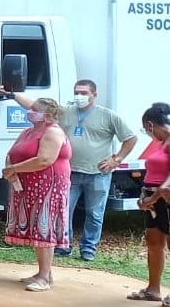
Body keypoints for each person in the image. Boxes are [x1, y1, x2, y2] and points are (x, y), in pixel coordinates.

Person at [11, 80, 137, 261]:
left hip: (98, 173)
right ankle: (64, 245)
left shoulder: (108, 116)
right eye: (77, 92)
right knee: (64, 210)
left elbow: (131, 138)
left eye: (84, 93)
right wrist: (13, 95)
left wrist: (116, 159)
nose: (80, 96)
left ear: (94, 94)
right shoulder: (66, 112)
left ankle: (89, 249)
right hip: (71, 172)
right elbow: (36, 106)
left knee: (94, 213)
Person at [2, 98, 70, 292]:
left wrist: (14, 168)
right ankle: (44, 273)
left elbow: (44, 160)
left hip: (47, 187)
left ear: (47, 116)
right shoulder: (28, 131)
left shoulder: (53, 132)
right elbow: (14, 151)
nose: (30, 111)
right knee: (36, 227)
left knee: (44, 227)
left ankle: (44, 276)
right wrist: (11, 167)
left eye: (35, 110)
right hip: (27, 186)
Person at [126, 103, 170, 307]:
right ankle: (153, 289)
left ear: (150, 125)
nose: (148, 133)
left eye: (146, 129)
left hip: (165, 199)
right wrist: (144, 195)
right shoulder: (161, 142)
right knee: (154, 243)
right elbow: (153, 174)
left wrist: (152, 199)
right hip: (153, 200)